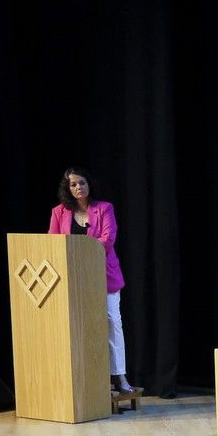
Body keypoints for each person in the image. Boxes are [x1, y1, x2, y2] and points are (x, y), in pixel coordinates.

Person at [47, 166, 132, 393]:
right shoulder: (59, 212)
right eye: (73, 184)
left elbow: (107, 239)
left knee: (113, 323)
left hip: (103, 275)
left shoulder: (104, 208)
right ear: (68, 188)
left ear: (89, 184)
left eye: (82, 183)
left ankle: (120, 377)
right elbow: (52, 243)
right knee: (79, 328)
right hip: (71, 279)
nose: (78, 187)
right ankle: (89, 381)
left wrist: (80, 254)